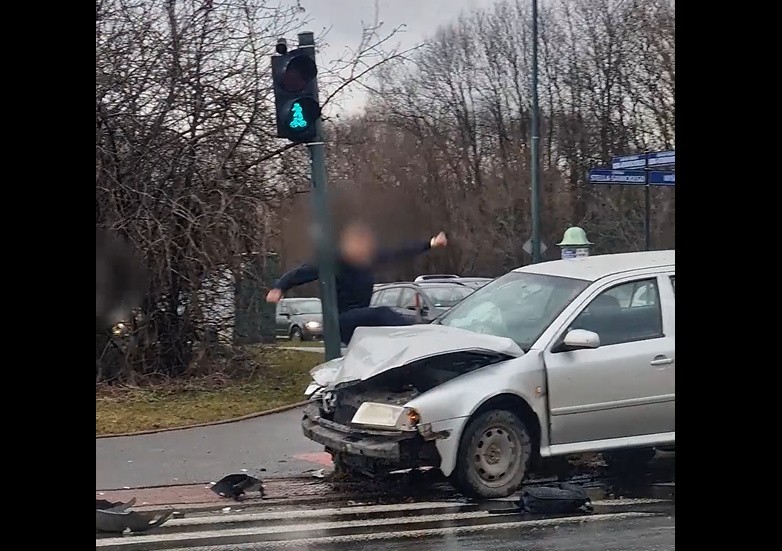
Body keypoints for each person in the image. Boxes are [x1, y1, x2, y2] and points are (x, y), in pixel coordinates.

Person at [266, 222, 448, 344]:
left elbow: (400, 252)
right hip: (340, 320)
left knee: (393, 323)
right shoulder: (335, 261)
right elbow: (304, 271)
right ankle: (418, 338)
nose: (362, 254)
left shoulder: (370, 257)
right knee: (382, 313)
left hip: (360, 319)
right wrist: (280, 287)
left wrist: (431, 243)